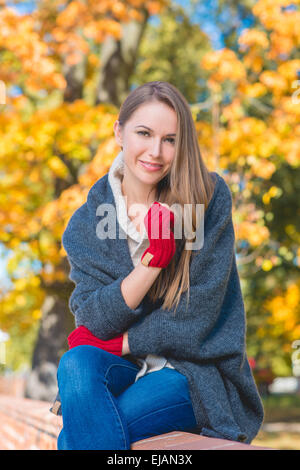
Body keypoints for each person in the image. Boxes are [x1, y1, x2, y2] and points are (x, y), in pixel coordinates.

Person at [51, 81, 264, 450]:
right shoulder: (87, 223)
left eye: (170, 139)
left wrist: (123, 341)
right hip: (127, 370)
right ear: (119, 132)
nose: (156, 151)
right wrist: (152, 262)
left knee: (73, 438)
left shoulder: (206, 199)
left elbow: (197, 319)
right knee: (76, 362)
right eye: (144, 133)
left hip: (195, 373)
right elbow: (93, 320)